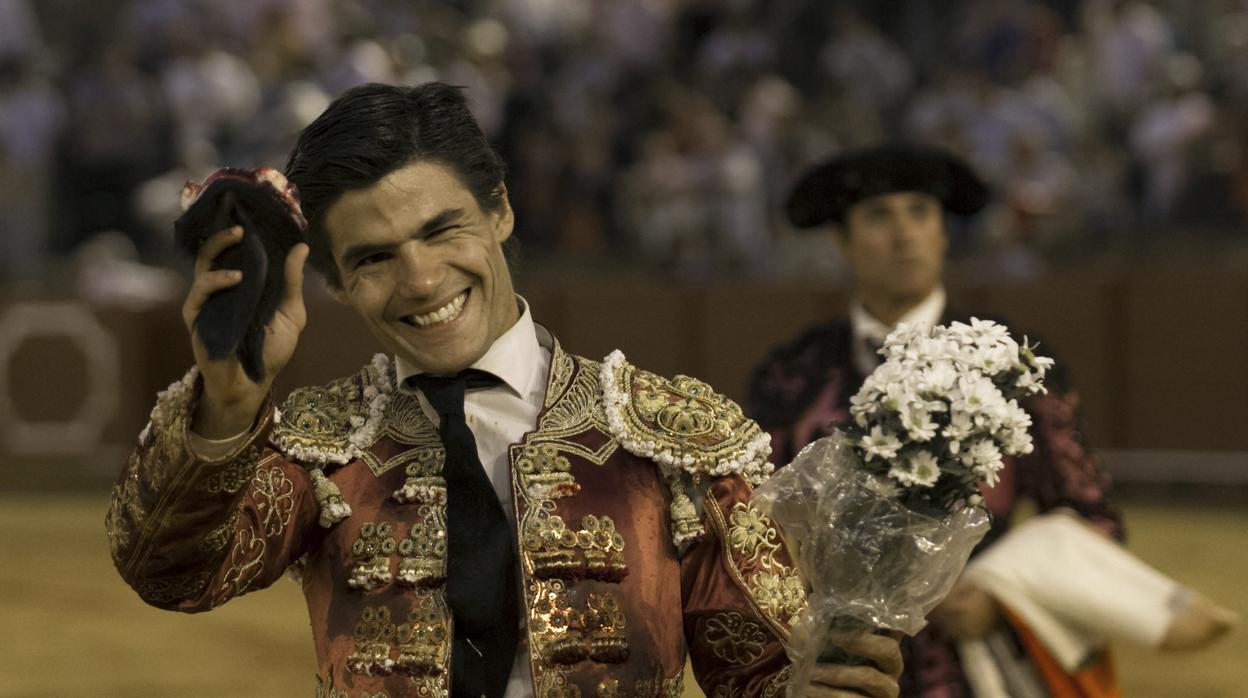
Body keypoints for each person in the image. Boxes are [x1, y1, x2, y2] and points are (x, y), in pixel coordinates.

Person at [105, 82, 902, 698]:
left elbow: (759, 675)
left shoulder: (668, 439)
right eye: (374, 259)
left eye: (442, 230)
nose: (420, 280)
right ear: (340, 286)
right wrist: (229, 405)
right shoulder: (321, 444)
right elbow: (172, 574)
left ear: (502, 212)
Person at [746, 143, 1124, 697]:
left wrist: (1002, 600)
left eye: (920, 213)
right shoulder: (789, 373)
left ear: (943, 234)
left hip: (973, 659)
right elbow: (750, 523)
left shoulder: (1010, 364)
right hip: (828, 663)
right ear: (842, 243)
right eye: (879, 216)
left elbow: (1092, 518)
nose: (904, 234)